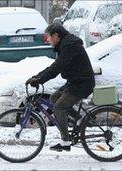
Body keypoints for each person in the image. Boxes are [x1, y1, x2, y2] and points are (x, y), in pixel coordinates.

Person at [26, 23, 95, 152]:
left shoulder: (69, 46)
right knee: (54, 98)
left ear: (56, 35)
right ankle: (80, 120)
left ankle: (65, 141)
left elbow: (57, 68)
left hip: (82, 84)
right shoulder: (65, 45)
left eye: (49, 37)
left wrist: (40, 80)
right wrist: (37, 77)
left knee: (59, 107)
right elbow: (55, 66)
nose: (48, 40)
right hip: (76, 82)